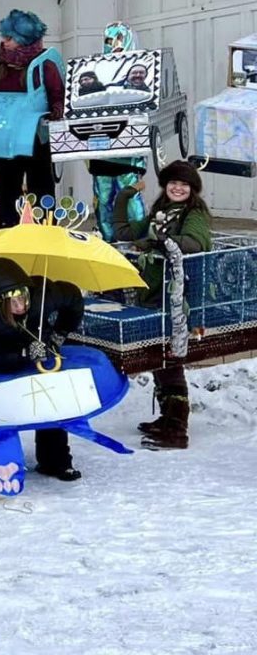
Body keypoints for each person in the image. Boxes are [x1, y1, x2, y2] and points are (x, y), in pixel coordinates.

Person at [113, 160, 212, 450]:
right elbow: (125, 233)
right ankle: (168, 417)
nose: (178, 188)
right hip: (158, 293)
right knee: (161, 355)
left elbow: (195, 243)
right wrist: (124, 197)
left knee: (170, 358)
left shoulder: (194, 214)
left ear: (192, 189)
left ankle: (177, 428)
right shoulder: (161, 212)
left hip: (181, 298)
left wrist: (161, 241)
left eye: (184, 184)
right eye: (173, 183)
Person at [0, 257, 84, 481]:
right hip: (4, 359)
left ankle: (55, 460)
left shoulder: (44, 294)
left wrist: (59, 334)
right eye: (13, 303)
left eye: (23, 298)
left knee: (50, 401)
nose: (21, 306)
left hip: (42, 349)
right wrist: (22, 355)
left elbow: (74, 298)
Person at [0, 10, 64, 228]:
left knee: (41, 187)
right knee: (7, 190)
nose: (4, 42)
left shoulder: (44, 64)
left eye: (9, 38)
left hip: (37, 138)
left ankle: (44, 232)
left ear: (23, 39)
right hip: (7, 136)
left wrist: (56, 111)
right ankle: (6, 231)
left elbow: (57, 95)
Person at [90, 21, 146, 241]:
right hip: (100, 151)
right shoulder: (94, 70)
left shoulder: (142, 71)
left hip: (128, 154)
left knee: (130, 198)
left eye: (120, 39)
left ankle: (139, 242)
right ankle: (108, 242)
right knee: (103, 199)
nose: (115, 45)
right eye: (110, 40)